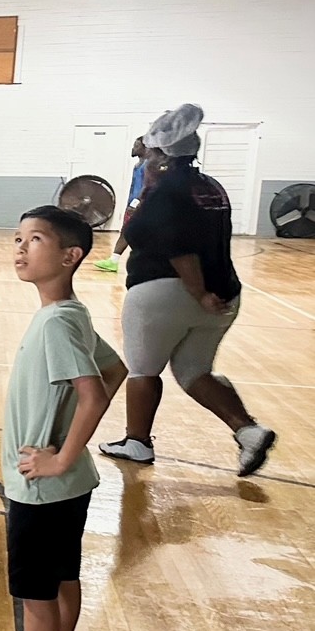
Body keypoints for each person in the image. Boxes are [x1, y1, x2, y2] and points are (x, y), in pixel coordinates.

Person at [0, 206, 125, 631]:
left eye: (34, 239)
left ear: (69, 256)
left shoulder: (57, 322)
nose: (20, 248)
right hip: (65, 485)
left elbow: (94, 394)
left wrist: (60, 455)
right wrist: (68, 453)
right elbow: (116, 368)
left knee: (36, 594)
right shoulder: (69, 314)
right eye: (18, 238)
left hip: (42, 485)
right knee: (61, 581)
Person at [98, 104, 276, 477]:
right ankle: (249, 431)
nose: (144, 155)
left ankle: (137, 442)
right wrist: (207, 295)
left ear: (163, 154)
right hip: (225, 293)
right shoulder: (210, 187)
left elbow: (178, 246)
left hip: (167, 291)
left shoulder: (165, 192)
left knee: (144, 369)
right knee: (195, 371)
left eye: (150, 149)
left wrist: (198, 293)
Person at [94, 137, 149, 274]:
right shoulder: (138, 165)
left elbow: (146, 186)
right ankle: (114, 260)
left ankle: (123, 260)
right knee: (126, 231)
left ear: (145, 148)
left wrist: (136, 202)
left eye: (136, 145)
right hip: (133, 203)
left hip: (141, 205)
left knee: (131, 232)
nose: (133, 148)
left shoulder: (148, 165)